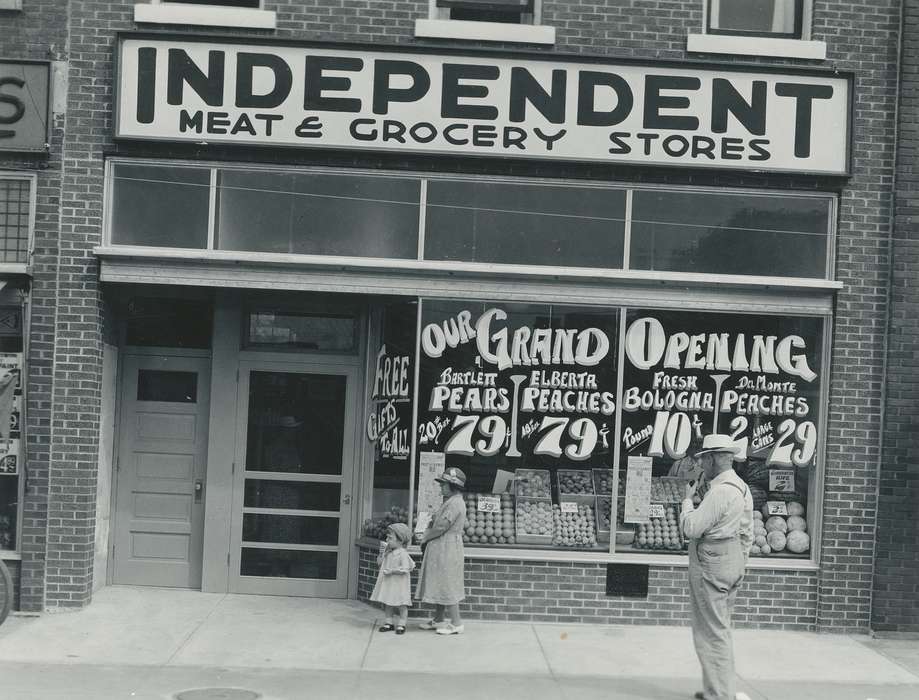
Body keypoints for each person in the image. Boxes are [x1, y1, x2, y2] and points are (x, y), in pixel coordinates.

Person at [680, 433, 754, 700]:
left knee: (710, 632)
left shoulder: (719, 492)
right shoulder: (741, 487)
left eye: (704, 460)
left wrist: (687, 502)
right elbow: (748, 533)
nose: (702, 466)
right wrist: (738, 561)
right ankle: (718, 689)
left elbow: (691, 528)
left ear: (712, 459)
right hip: (733, 559)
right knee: (720, 628)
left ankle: (719, 695)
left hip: (711, 560)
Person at [415, 466, 467, 636]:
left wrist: (425, 537)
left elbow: (441, 527)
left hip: (447, 546)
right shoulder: (451, 501)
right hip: (444, 545)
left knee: (448, 582)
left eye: (444, 484)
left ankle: (456, 623)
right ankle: (438, 619)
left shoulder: (455, 503)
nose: (441, 487)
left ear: (453, 485)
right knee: (441, 582)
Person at [370, 522, 415, 635]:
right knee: (388, 603)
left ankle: (402, 623)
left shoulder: (403, 554)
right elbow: (380, 564)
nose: (387, 539)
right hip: (390, 583)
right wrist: (381, 554)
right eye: (387, 537)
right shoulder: (388, 553)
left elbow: (406, 568)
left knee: (401, 604)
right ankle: (388, 622)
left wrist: (392, 571)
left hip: (399, 584)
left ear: (400, 540)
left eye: (390, 538)